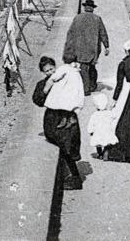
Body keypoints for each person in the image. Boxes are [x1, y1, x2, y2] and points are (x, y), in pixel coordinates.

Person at [33, 54, 85, 190]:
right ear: (43, 72)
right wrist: (45, 91)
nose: (50, 73)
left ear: (56, 67)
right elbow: (37, 100)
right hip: (53, 119)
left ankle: (74, 177)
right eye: (47, 71)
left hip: (66, 118)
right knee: (63, 146)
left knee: (68, 146)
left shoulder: (64, 78)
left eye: (52, 69)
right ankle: (72, 176)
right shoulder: (43, 84)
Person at [63, 0, 110, 95]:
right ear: (92, 8)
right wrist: (106, 46)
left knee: (83, 68)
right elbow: (103, 33)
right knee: (92, 67)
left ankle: (86, 88)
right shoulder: (97, 18)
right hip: (94, 49)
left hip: (80, 48)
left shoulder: (77, 18)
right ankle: (92, 85)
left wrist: (69, 47)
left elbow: (70, 34)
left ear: (85, 7)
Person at [87, 92, 117, 160]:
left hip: (98, 132)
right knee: (108, 143)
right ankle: (106, 152)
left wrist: (90, 130)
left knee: (98, 144)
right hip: (107, 131)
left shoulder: (95, 114)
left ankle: (100, 154)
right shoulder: (109, 113)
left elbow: (91, 123)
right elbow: (114, 116)